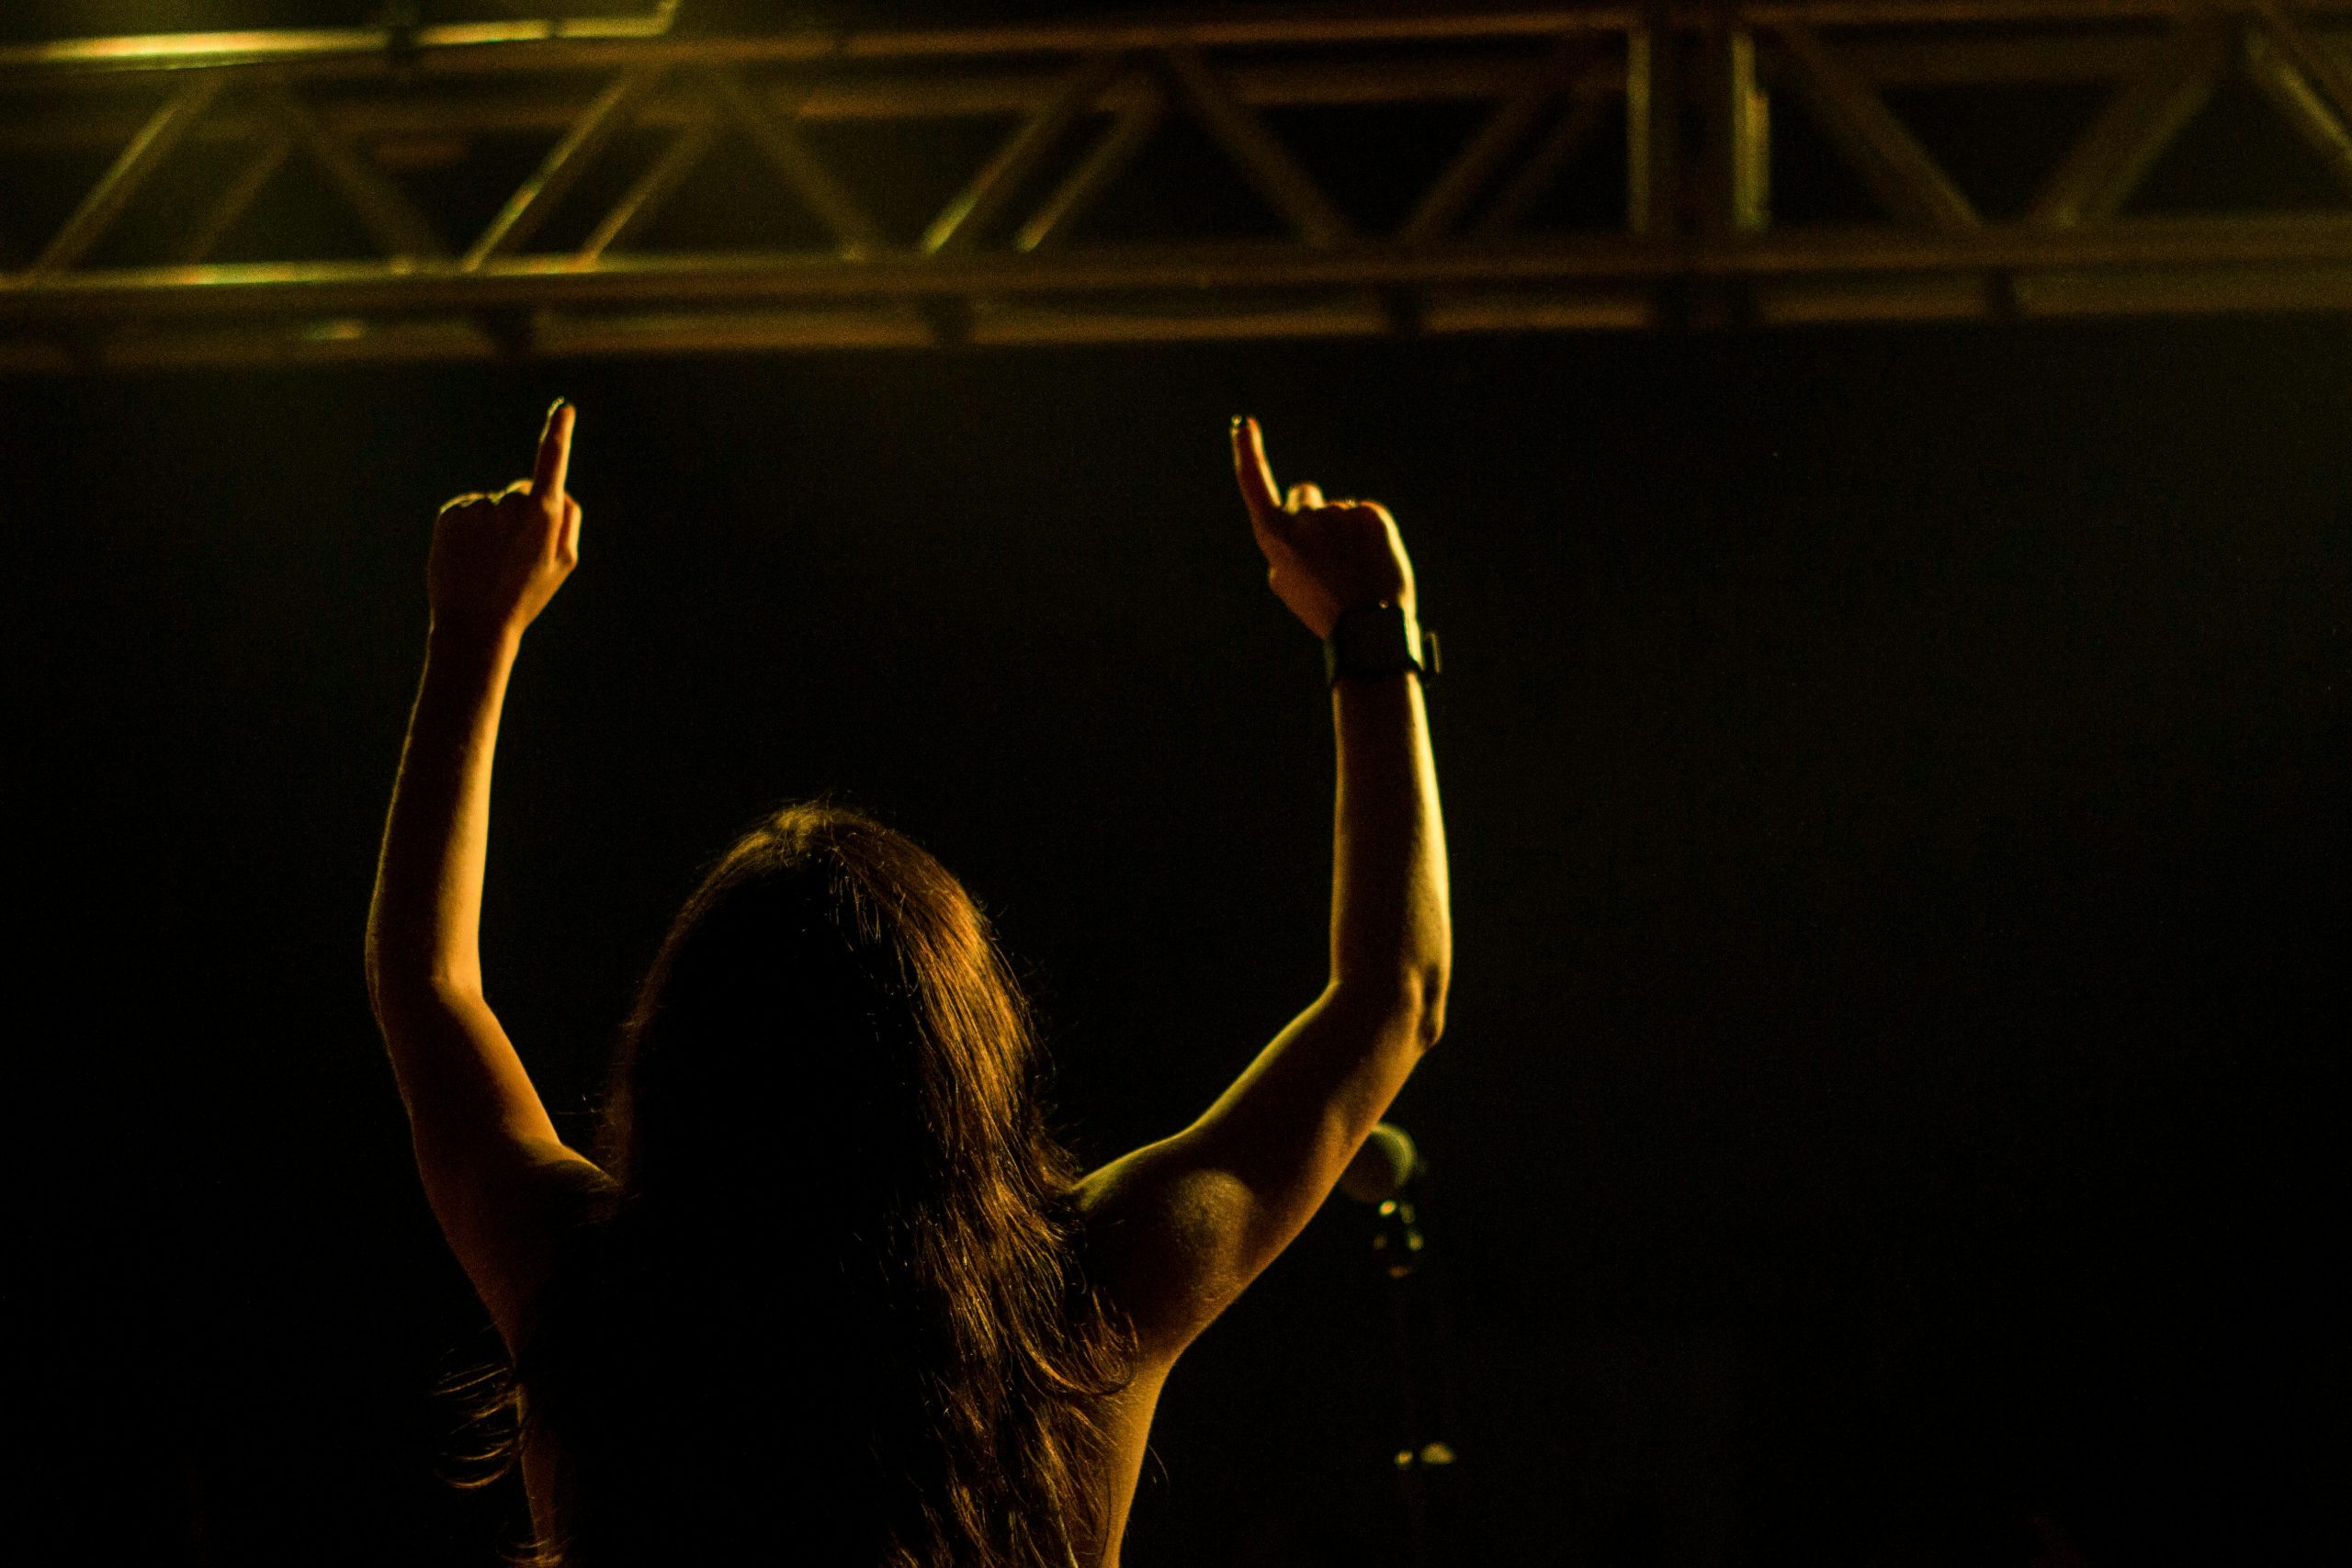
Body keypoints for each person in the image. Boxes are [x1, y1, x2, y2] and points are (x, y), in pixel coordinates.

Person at [365, 402, 1450, 1567]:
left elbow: (427, 985)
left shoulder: (587, 1294)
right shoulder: (1079, 1303)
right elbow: (1393, 996)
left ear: (678, 1051)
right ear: (969, 1048)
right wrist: (1371, 632)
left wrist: (473, 631)